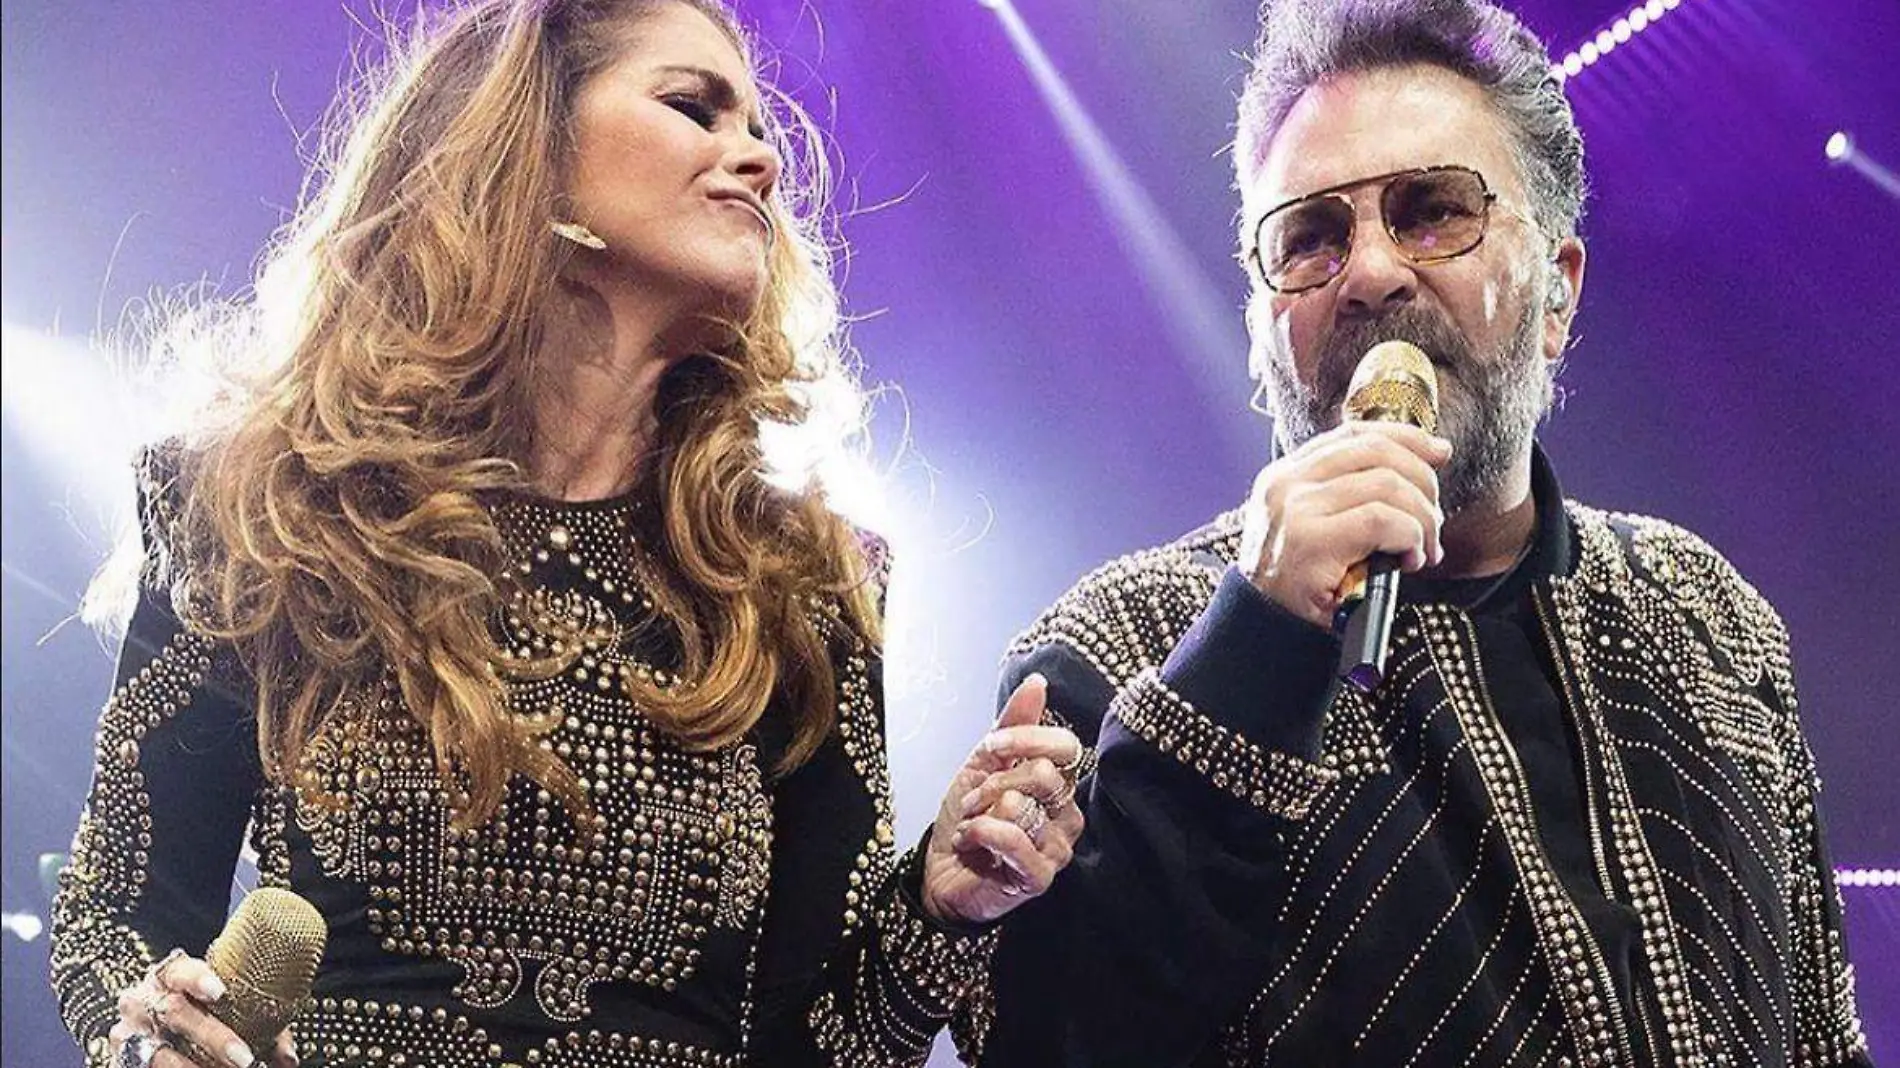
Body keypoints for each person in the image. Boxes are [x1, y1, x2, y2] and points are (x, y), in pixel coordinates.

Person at [48, 2, 1085, 1066]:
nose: (760, 161)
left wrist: (947, 905)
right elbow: (114, 919)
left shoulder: (803, 583)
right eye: (694, 108)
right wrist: (153, 1038)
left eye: (759, 130)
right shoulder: (262, 508)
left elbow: (818, 1045)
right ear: (528, 138)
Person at [949, 0, 1872, 1065]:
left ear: (1557, 295)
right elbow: (1051, 1041)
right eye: (1311, 237)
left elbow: (1820, 1034)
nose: (1371, 273)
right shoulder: (1121, 644)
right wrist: (1252, 646)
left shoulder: (1708, 613)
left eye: (1433, 211)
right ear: (1260, 333)